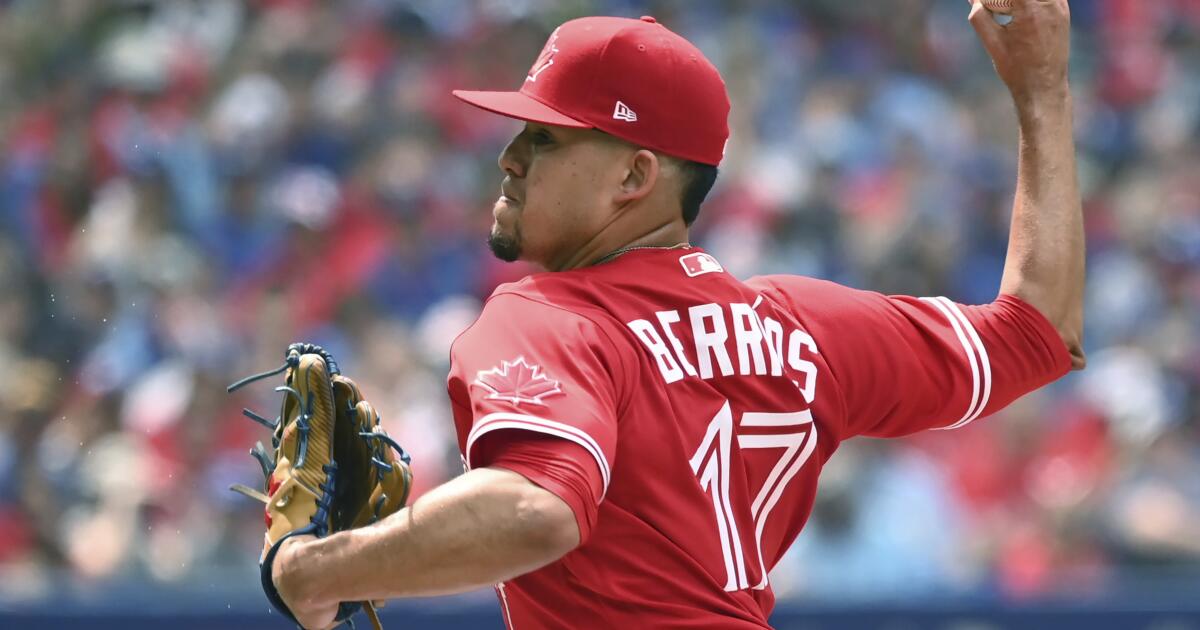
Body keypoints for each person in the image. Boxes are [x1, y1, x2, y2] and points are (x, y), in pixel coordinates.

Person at [270, 2, 1084, 628]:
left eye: (546, 138)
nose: (509, 157)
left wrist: (316, 571)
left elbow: (535, 512)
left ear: (634, 176)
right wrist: (1041, 93)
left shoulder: (550, 317)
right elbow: (1037, 331)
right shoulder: (804, 327)